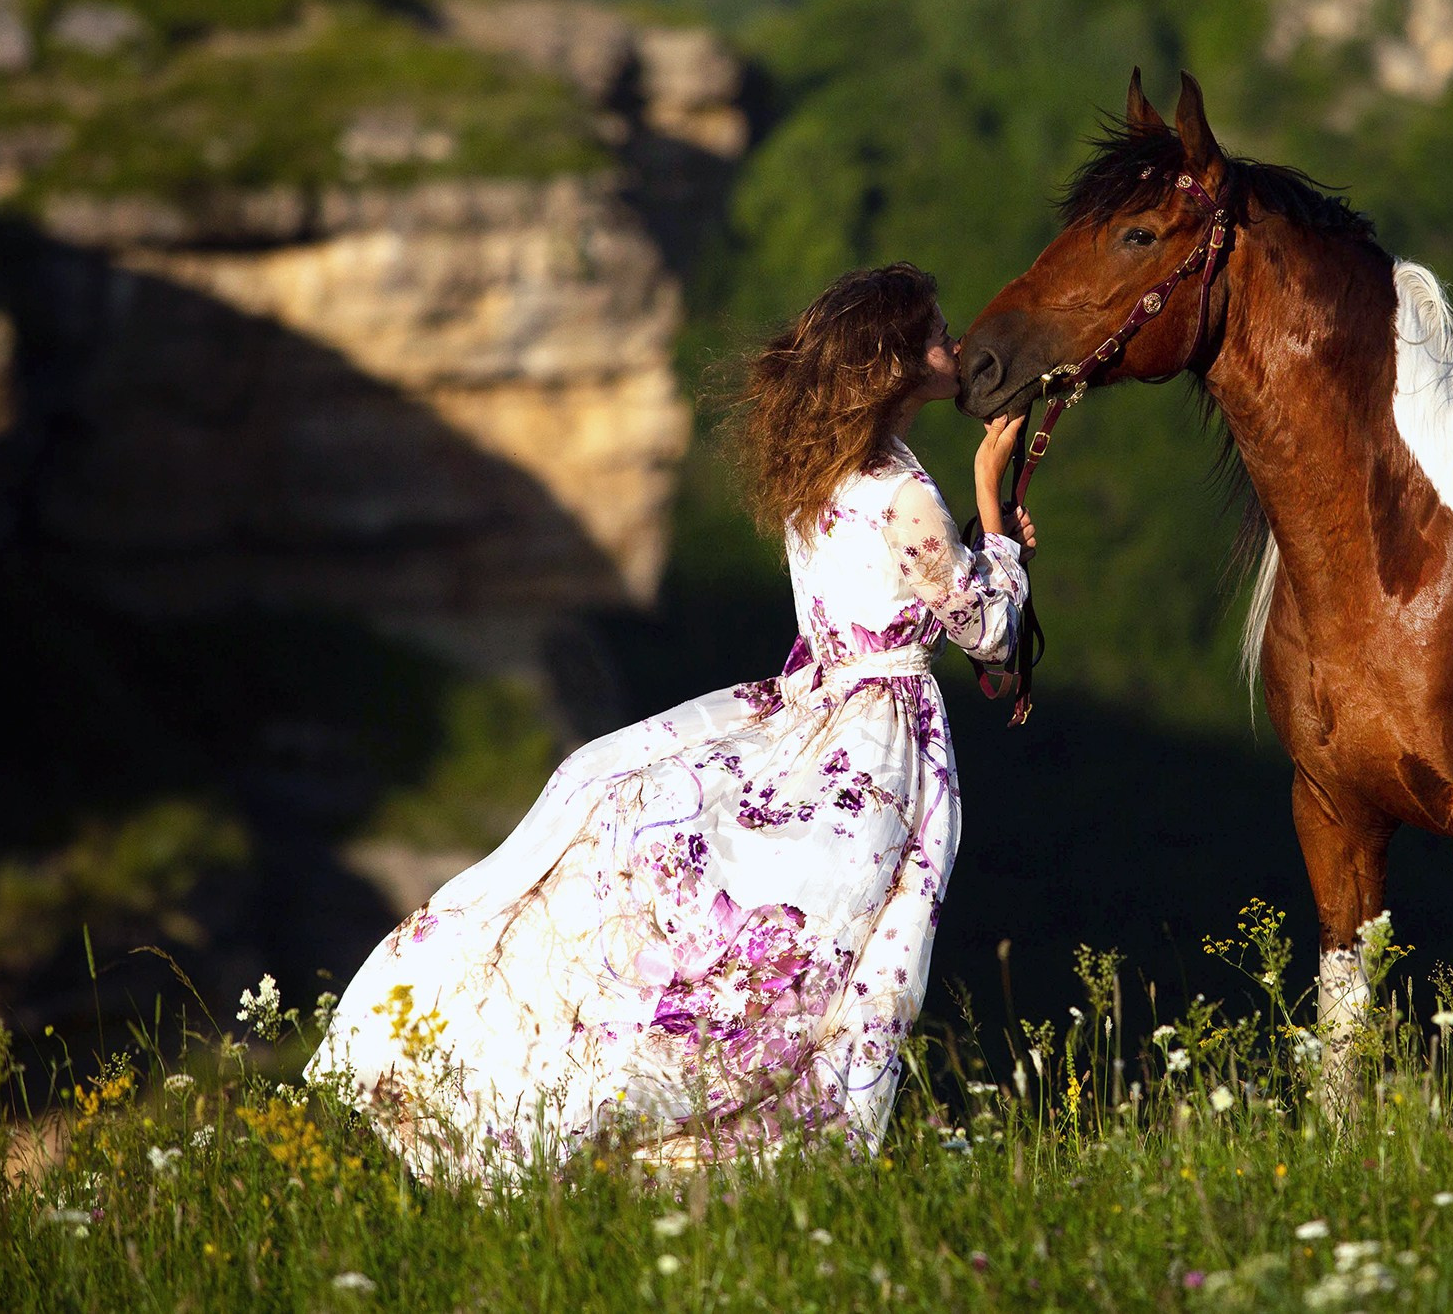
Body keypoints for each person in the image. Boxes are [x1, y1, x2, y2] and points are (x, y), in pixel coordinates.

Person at [307, 263, 1035, 1180]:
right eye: (935, 333)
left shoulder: (819, 476)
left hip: (806, 705)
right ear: (892, 362)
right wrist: (994, 513)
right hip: (876, 744)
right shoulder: (906, 492)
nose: (955, 346)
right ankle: (726, 1139)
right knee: (847, 956)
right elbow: (988, 633)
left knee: (760, 933)